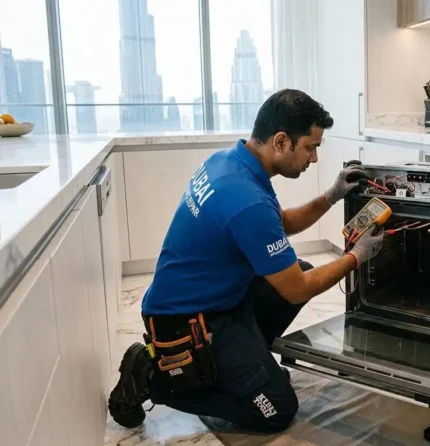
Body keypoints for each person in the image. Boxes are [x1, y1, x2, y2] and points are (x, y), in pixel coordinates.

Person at [107, 89, 384, 432]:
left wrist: (332, 195)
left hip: (207, 301)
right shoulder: (246, 200)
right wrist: (357, 256)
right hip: (185, 325)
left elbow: (280, 222)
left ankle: (244, 370)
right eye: (310, 147)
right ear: (281, 141)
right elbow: (298, 290)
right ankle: (153, 379)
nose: (313, 158)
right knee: (277, 410)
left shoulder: (229, 163)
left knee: (299, 270)